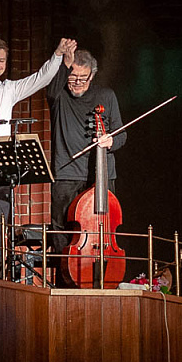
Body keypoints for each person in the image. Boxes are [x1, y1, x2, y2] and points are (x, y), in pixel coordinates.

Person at [0, 36, 76, 278]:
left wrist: (57, 55)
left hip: (1, 163)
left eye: (1, 60)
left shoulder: (9, 89)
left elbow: (40, 78)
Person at [46, 48, 126, 268]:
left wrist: (111, 141)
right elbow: (53, 84)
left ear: (93, 75)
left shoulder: (106, 96)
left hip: (101, 175)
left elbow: (121, 134)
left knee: (103, 228)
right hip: (66, 173)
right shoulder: (59, 95)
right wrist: (64, 64)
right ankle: (65, 276)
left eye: (84, 77)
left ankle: (103, 273)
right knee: (62, 228)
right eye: (73, 77)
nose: (78, 82)